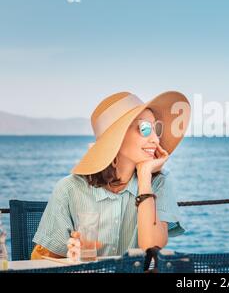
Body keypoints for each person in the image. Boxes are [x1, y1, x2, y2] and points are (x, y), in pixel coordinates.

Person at [30, 91, 191, 260]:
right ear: (117, 137)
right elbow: (42, 262)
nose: (156, 140)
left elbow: (151, 247)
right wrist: (72, 254)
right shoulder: (70, 189)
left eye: (156, 129)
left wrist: (144, 177)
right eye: (145, 128)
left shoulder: (159, 181)